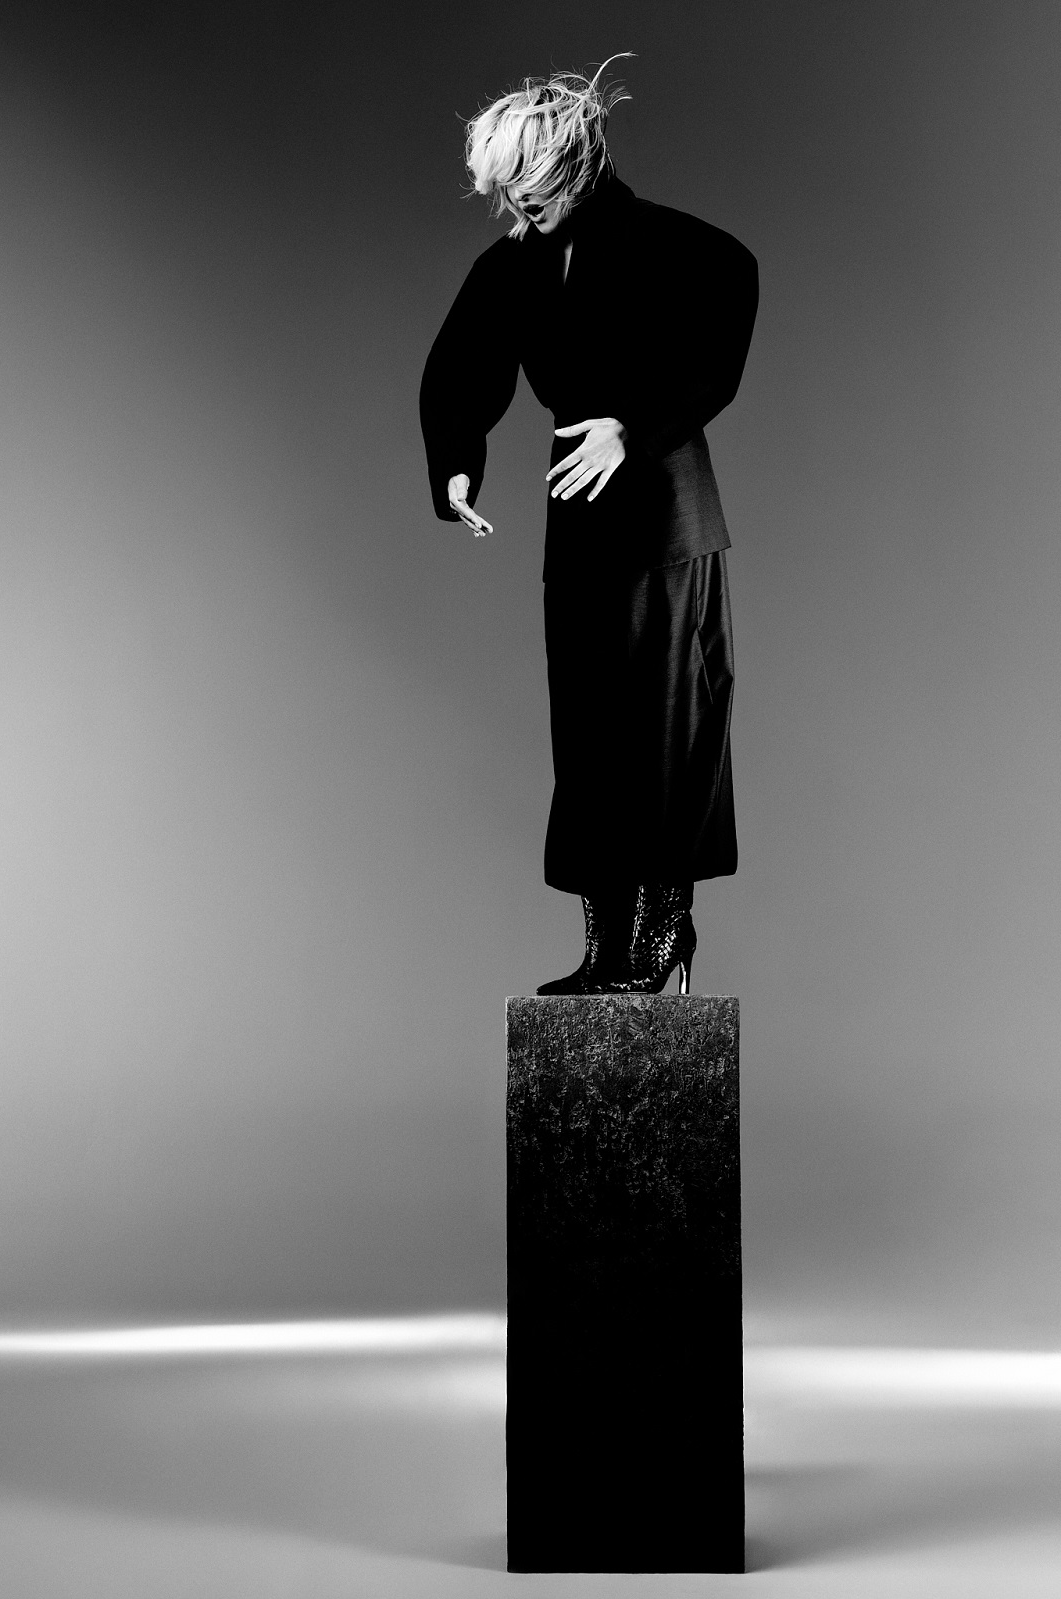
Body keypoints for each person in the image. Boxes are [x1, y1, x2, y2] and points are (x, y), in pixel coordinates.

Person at [419, 58, 758, 995]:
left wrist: (634, 427)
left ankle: (662, 935)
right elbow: (462, 363)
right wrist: (457, 459)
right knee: (590, 740)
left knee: (671, 724)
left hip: (670, 512)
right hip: (578, 523)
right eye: (504, 190)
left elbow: (730, 301)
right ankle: (605, 950)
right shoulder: (515, 264)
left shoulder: (665, 240)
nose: (516, 206)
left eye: (527, 184)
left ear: (571, 163)